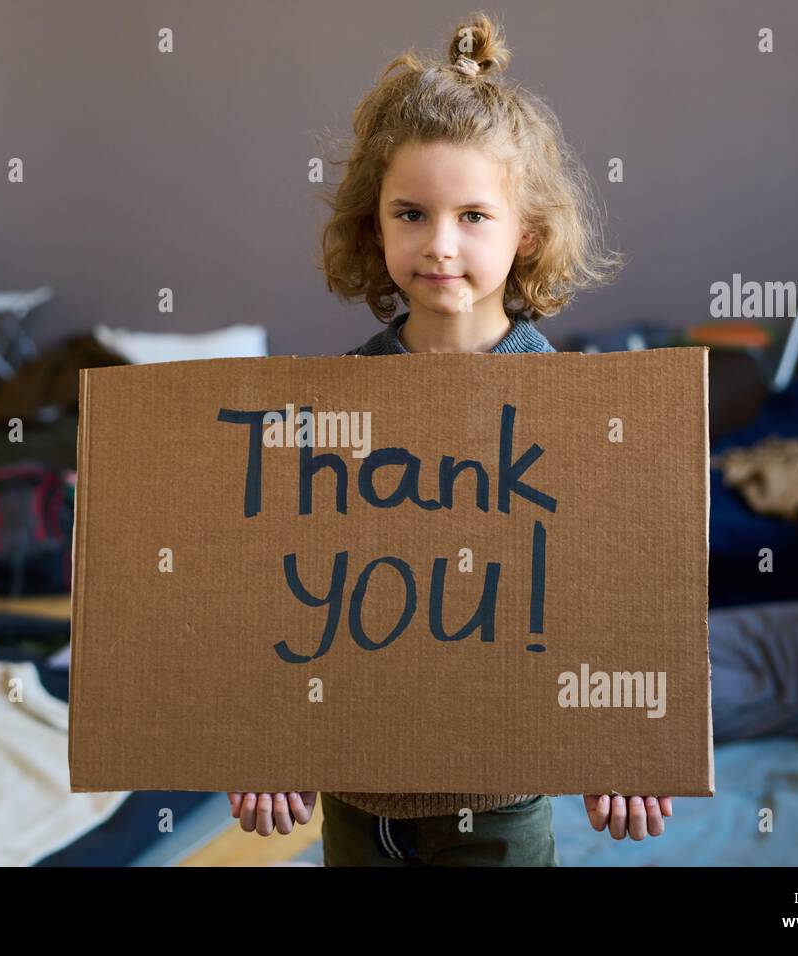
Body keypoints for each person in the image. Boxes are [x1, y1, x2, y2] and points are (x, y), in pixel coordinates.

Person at [228, 12, 674, 865]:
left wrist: (631, 737)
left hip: (497, 803)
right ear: (377, 228)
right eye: (411, 214)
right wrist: (264, 737)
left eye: (474, 215)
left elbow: (612, 576)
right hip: (353, 795)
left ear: (527, 234)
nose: (439, 244)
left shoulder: (574, 410)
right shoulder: (332, 406)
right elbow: (287, 577)